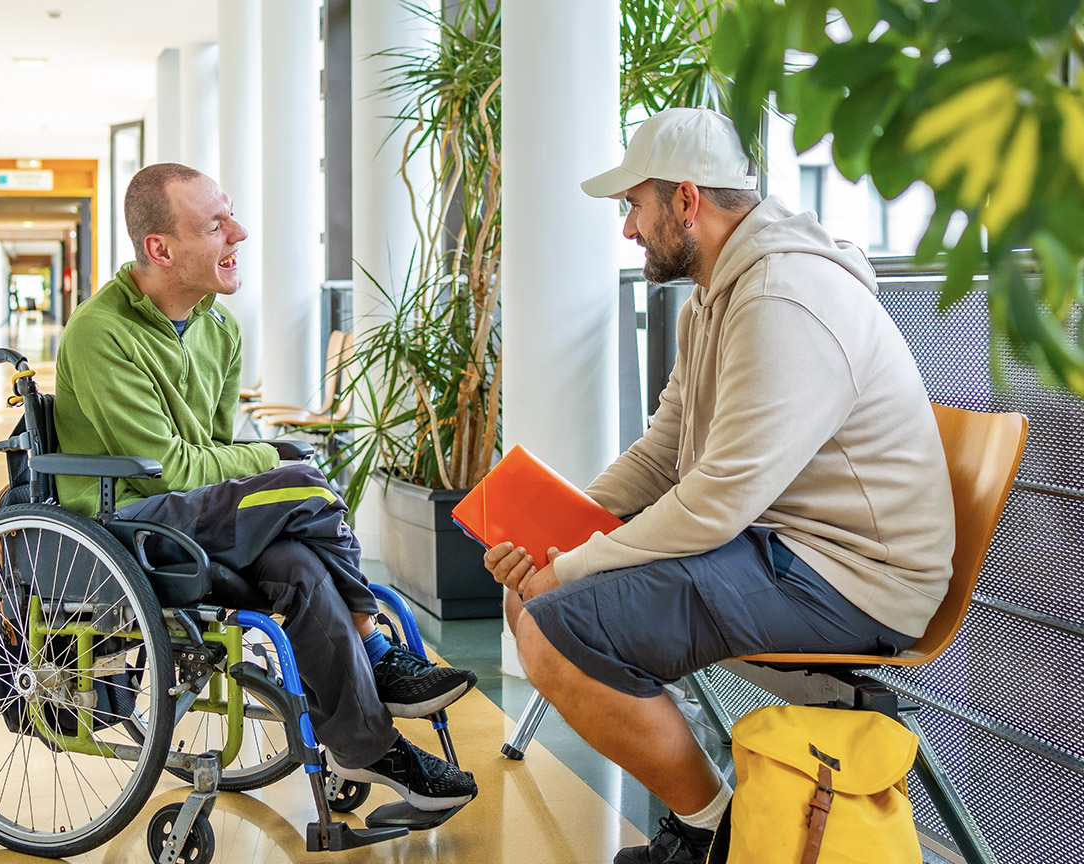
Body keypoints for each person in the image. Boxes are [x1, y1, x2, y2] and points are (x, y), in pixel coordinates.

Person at [485, 108, 955, 863]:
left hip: (855, 581)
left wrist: (569, 567)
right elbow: (665, 452)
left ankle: (709, 836)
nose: (628, 229)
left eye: (632, 206)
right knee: (535, 598)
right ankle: (707, 826)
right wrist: (562, 528)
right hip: (781, 550)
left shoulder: (781, 300)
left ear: (686, 201)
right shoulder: (716, 299)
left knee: (551, 625)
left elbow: (716, 500)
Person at [53, 162, 478, 811]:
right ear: (160, 249)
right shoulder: (100, 332)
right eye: (216, 224)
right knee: (302, 481)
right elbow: (168, 468)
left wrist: (254, 460)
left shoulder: (218, 328)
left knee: (300, 567)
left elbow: (217, 451)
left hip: (202, 514)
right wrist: (268, 458)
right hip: (130, 520)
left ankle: (369, 748)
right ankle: (375, 646)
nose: (240, 233)